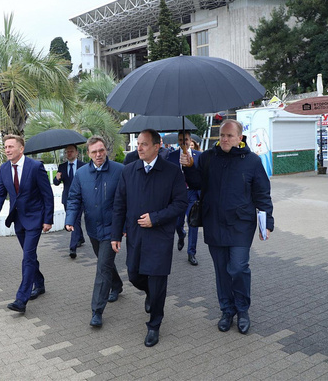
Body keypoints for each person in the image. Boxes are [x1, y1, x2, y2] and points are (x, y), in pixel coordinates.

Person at [180, 119, 274, 335]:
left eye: (229, 136)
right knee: (222, 271)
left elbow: (262, 193)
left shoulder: (251, 161)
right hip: (214, 223)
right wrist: (188, 167)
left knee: (239, 267)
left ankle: (242, 310)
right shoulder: (208, 157)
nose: (224, 139)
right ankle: (227, 311)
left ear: (240, 138)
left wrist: (267, 222)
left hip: (241, 224)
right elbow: (196, 183)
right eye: (222, 135)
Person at [111, 129, 188, 347]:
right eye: (138, 144)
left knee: (158, 282)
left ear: (157, 146)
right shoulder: (128, 171)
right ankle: (150, 294)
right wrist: (115, 234)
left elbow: (180, 204)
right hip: (136, 236)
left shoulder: (172, 172)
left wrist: (156, 218)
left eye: (144, 144)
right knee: (134, 275)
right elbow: (119, 205)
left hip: (160, 236)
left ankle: (154, 324)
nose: (139, 148)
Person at [0, 134, 54, 314]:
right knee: (29, 255)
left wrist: (48, 219)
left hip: (34, 219)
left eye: (10, 147)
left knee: (27, 257)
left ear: (21, 149)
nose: (7, 150)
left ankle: (21, 299)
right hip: (18, 220)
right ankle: (39, 284)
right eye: (5, 147)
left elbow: (47, 195)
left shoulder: (35, 167)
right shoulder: (4, 169)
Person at [65, 136, 124, 328]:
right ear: (88, 154)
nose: (98, 155)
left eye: (101, 151)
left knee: (102, 267)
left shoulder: (119, 171)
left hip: (112, 229)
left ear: (105, 150)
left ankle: (97, 310)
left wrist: (123, 227)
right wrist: (70, 220)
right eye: (94, 152)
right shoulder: (81, 174)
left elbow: (127, 200)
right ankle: (117, 285)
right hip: (92, 228)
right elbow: (74, 198)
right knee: (104, 262)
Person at [167, 131, 201, 266]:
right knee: (177, 223)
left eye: (185, 139)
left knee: (193, 223)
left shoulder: (199, 156)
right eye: (180, 140)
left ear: (190, 140)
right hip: (177, 195)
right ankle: (181, 235)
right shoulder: (171, 156)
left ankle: (191, 252)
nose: (183, 142)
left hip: (192, 193)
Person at [53, 144, 86, 258]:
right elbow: (56, 183)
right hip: (67, 199)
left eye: (71, 151)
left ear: (77, 153)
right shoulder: (62, 166)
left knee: (75, 220)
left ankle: (73, 248)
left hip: (80, 199)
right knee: (75, 220)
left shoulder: (83, 166)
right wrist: (56, 178)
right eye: (67, 152)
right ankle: (80, 238)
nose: (69, 154)